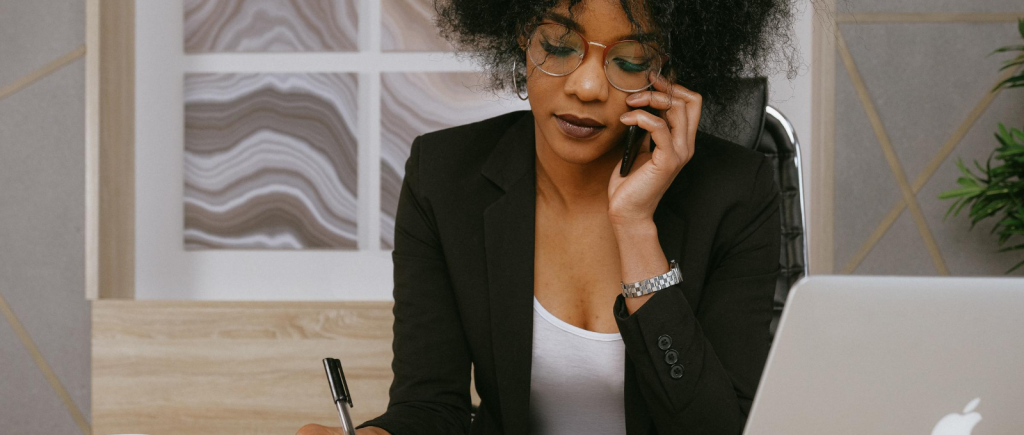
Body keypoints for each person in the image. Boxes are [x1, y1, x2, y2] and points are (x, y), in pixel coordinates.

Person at [299, 0, 798, 433]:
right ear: (521, 33)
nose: (585, 86)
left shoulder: (736, 192)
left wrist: (635, 227)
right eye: (560, 46)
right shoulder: (446, 179)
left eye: (628, 60)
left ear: (666, 68)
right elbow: (430, 409)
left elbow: (716, 429)